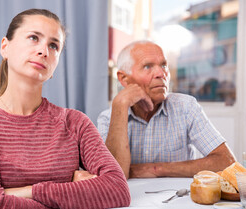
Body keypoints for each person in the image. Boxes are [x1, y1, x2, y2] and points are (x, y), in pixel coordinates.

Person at [0, 9, 130, 209]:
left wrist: (30, 191)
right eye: (34, 38)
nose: (43, 50)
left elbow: (117, 190)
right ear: (5, 47)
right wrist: (71, 201)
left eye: (54, 45)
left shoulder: (75, 123)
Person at [98, 40, 236, 179]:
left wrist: (156, 169)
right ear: (124, 79)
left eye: (164, 65)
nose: (160, 73)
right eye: (147, 66)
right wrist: (120, 105)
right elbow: (112, 176)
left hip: (179, 198)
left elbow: (226, 162)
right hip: (131, 199)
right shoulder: (108, 118)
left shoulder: (186, 107)